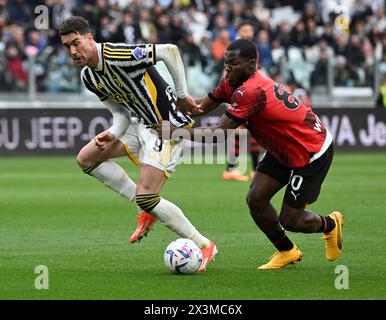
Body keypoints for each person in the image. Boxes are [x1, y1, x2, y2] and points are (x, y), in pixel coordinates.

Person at [154, 39, 343, 270]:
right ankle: (287, 251)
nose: (228, 68)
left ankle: (330, 224)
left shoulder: (252, 91)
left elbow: (219, 135)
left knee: (290, 219)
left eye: (234, 63)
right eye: (226, 63)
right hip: (281, 148)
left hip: (311, 149)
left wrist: (175, 132)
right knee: (256, 199)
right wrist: (171, 100)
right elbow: (199, 108)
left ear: (252, 64)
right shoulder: (230, 83)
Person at [59, 16, 217, 272]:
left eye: (76, 43)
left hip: (168, 127)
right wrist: (112, 132)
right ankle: (145, 207)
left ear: (89, 37)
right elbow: (119, 113)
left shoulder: (117, 55)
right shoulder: (88, 76)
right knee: (86, 158)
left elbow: (170, 51)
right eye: (67, 46)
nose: (73, 51)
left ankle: (203, 244)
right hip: (141, 125)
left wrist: (180, 95)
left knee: (148, 196)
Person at [223, 20, 261, 182]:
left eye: (249, 30)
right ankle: (231, 169)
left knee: (253, 131)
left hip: (249, 94)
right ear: (239, 32)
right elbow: (227, 73)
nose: (248, 33)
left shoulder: (253, 50)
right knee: (237, 131)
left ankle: (254, 169)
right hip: (238, 94)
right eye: (244, 30)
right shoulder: (235, 50)